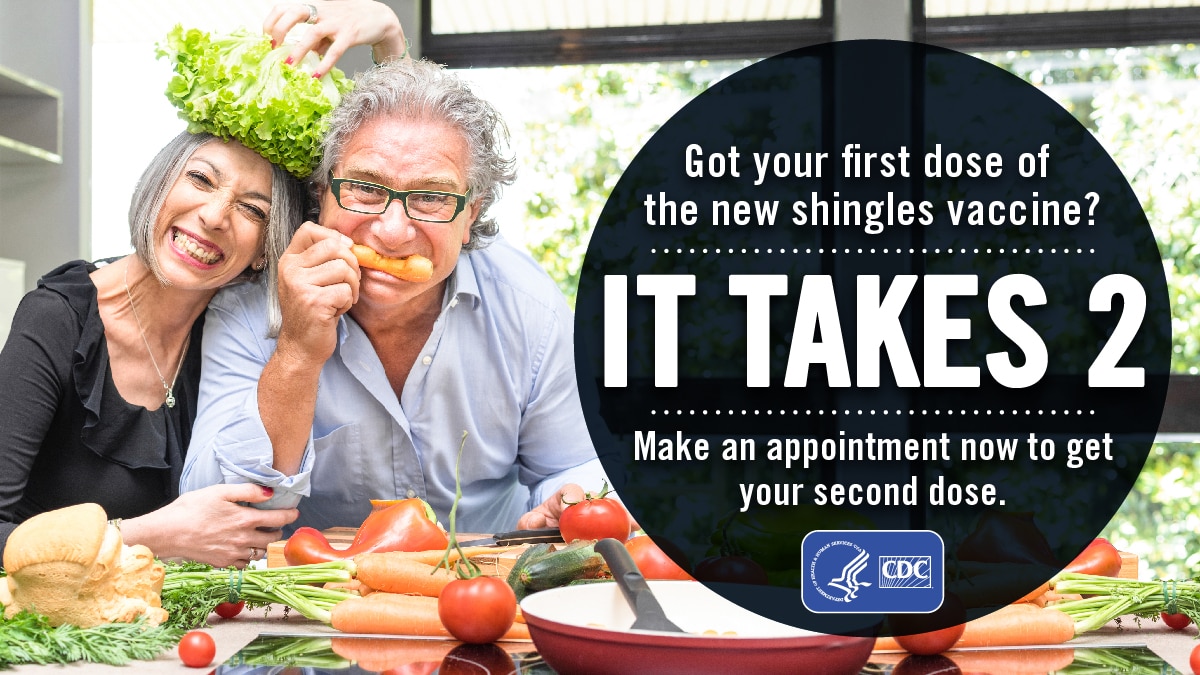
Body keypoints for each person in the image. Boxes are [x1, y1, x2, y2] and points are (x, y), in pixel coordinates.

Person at [0, 0, 409, 567]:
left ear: (269, 251)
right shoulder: (58, 318)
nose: (215, 216)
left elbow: (385, 198)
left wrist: (388, 37)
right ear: (161, 179)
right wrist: (146, 536)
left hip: (167, 633)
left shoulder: (241, 332)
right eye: (200, 178)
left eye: (252, 209)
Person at [181, 57, 620, 537]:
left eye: (431, 197)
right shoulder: (248, 307)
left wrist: (568, 499)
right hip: (314, 595)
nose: (392, 232)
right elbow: (211, 509)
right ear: (322, 193)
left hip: (489, 578)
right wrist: (298, 352)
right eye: (366, 189)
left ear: (470, 214)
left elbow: (572, 465)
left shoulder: (530, 309)